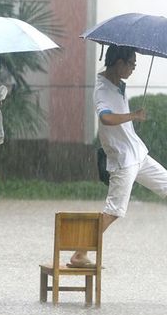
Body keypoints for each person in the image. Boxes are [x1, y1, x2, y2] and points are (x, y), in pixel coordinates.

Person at [70, 44, 167, 267]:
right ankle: (79, 254)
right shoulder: (102, 89)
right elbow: (106, 118)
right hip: (124, 161)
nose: (133, 68)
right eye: (131, 63)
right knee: (113, 211)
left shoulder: (118, 85)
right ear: (119, 63)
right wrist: (133, 115)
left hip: (138, 154)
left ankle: (80, 252)